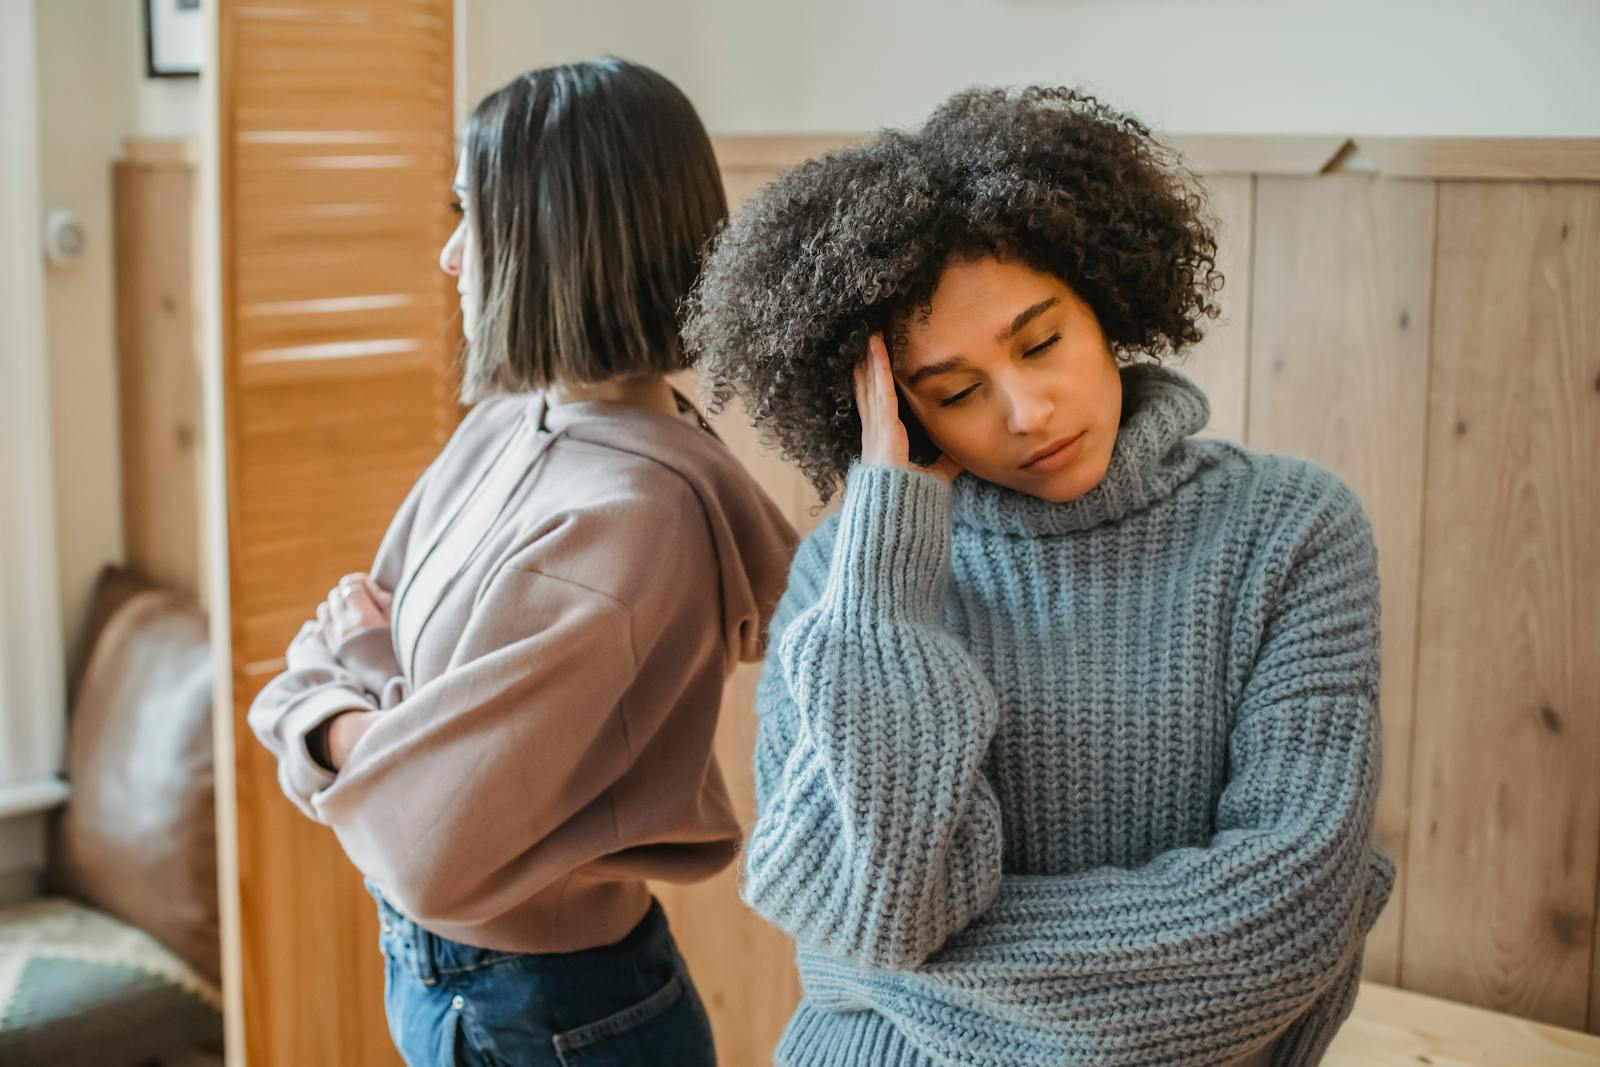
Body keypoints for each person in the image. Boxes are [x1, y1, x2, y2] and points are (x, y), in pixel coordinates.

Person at [683, 86, 1393, 1067]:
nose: (1025, 410)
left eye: (1041, 340)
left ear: (1101, 295)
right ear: (904, 413)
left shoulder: (1286, 530)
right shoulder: (841, 585)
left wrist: (885, 969)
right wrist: (886, 578)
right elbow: (864, 903)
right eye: (957, 391)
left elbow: (1280, 925)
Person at [248, 57, 796, 1067]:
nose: (451, 258)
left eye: (474, 216)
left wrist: (359, 694)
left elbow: (423, 844)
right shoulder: (510, 421)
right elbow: (306, 666)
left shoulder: (635, 521)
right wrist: (371, 721)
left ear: (559, 238)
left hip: (552, 1018)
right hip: (457, 987)